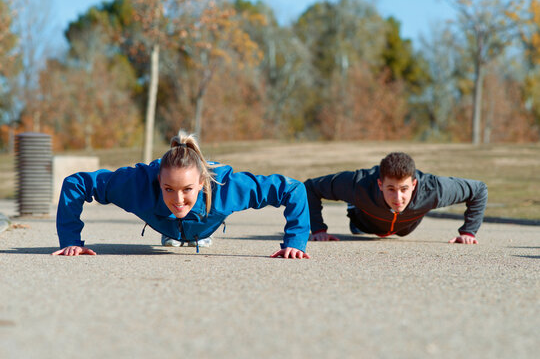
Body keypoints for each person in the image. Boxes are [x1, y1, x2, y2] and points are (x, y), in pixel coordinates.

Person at [52, 131, 310, 258]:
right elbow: (76, 183)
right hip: (161, 218)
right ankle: (172, 229)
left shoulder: (226, 189)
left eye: (187, 190)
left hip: (205, 221)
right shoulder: (136, 185)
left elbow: (293, 189)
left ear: (201, 183)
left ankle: (195, 231)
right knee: (170, 209)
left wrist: (295, 243)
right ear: (157, 181)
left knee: (187, 212)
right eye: (168, 189)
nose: (178, 200)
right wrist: (70, 240)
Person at [304, 152, 488, 244]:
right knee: (358, 215)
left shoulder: (433, 189)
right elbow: (310, 187)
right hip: (364, 220)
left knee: (403, 222)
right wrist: (318, 229)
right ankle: (354, 207)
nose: (398, 197)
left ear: (414, 184)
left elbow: (479, 189)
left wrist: (468, 232)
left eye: (404, 189)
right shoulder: (358, 183)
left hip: (405, 227)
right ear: (379, 184)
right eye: (391, 189)